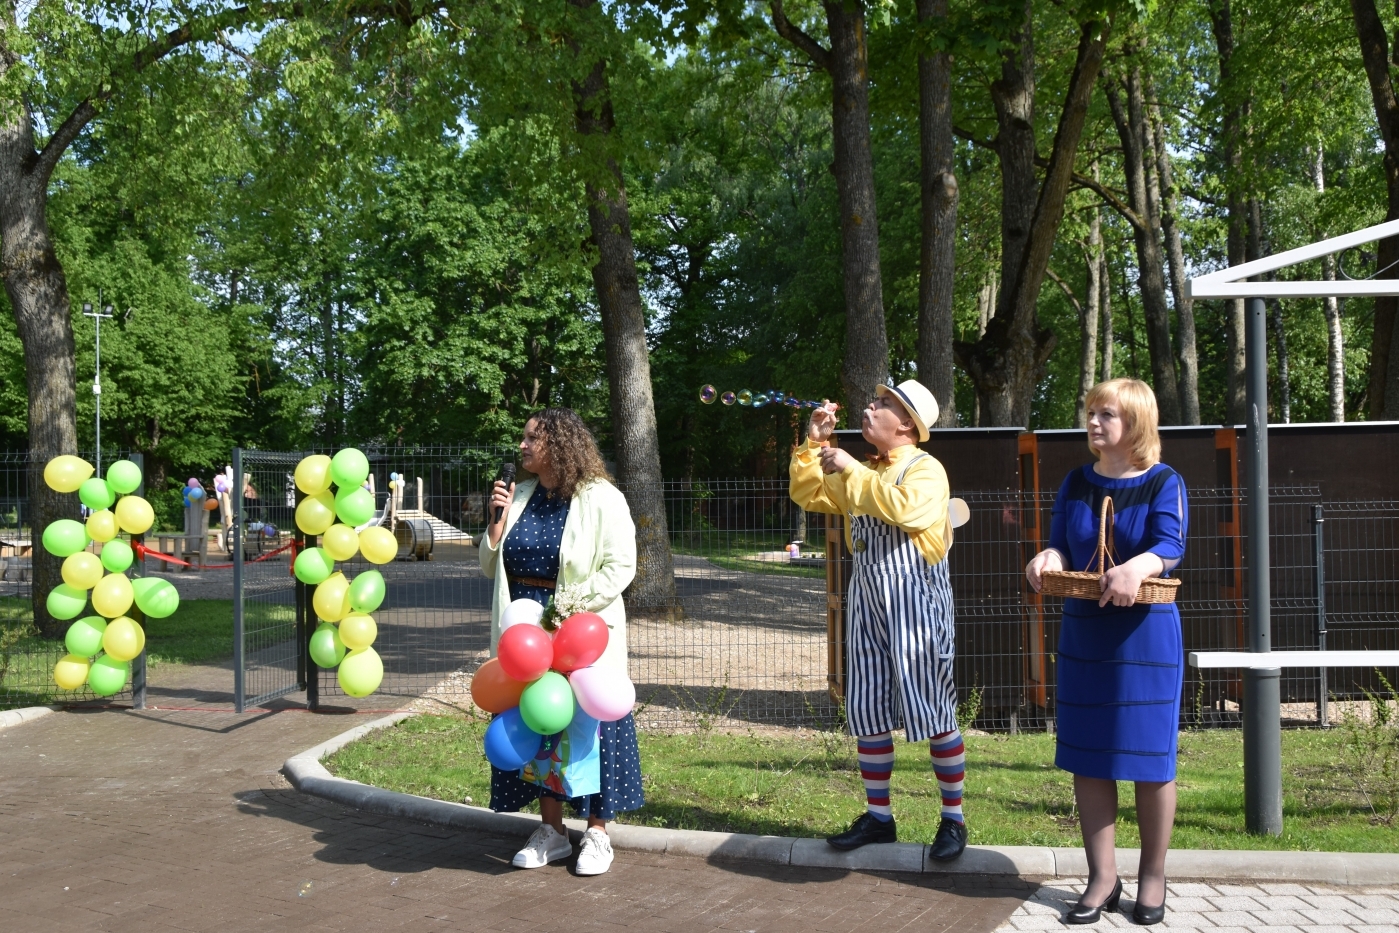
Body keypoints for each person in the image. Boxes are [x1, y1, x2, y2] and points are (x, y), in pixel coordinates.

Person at [1024, 378, 1187, 926]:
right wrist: (1044, 559)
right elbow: (1060, 543)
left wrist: (1135, 567)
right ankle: (1102, 878)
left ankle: (1154, 878)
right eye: (1091, 412)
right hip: (1084, 633)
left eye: (1106, 414)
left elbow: (1170, 544)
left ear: (1135, 422)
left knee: (1149, 760)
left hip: (1146, 636)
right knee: (1089, 757)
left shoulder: (1165, 480)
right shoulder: (1075, 480)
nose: (1093, 422)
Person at [789, 379, 967, 861]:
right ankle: (879, 818)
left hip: (916, 607)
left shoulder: (927, 469)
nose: (870, 406)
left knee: (932, 710)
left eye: (883, 403)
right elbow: (807, 493)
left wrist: (851, 469)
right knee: (866, 705)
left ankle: (953, 819)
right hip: (866, 600)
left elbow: (905, 509)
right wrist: (815, 444)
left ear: (907, 423)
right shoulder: (861, 468)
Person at [480, 408, 641, 876]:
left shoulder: (602, 498)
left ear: (560, 445)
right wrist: (495, 523)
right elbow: (492, 565)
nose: (522, 445)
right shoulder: (520, 494)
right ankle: (551, 832)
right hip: (524, 634)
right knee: (539, 721)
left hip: (579, 633)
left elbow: (619, 568)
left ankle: (596, 832)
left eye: (532, 438)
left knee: (590, 724)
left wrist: (565, 609)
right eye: (524, 437)